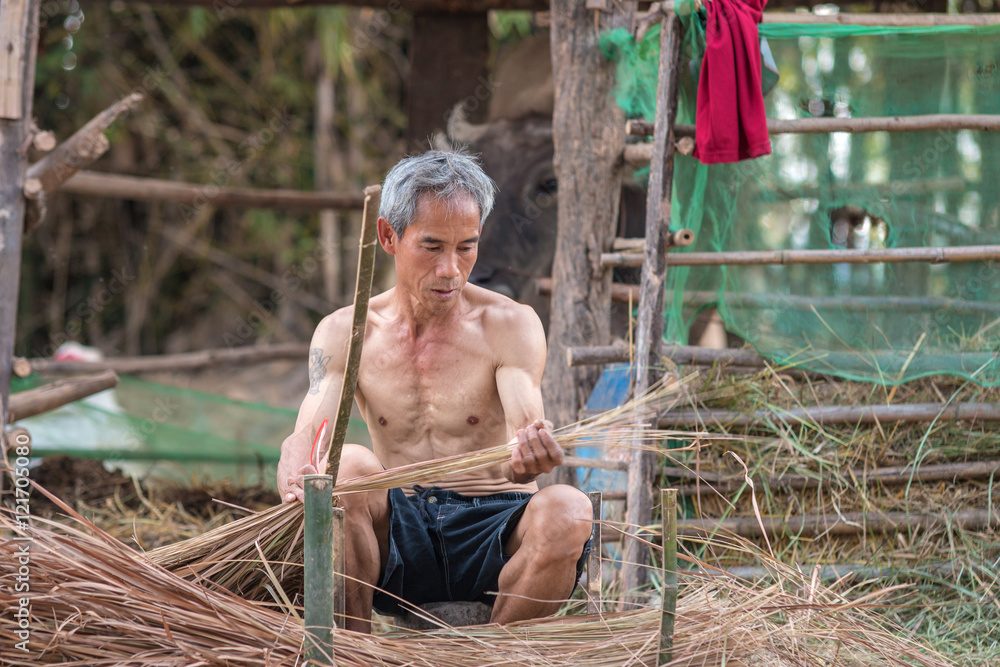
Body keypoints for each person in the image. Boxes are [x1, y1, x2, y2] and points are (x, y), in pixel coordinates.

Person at [276, 150, 594, 633]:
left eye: (466, 247)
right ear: (388, 236)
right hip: (401, 537)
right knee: (350, 465)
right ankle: (354, 656)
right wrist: (295, 452)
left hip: (495, 526)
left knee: (570, 509)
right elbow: (313, 436)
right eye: (431, 247)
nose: (451, 268)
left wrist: (527, 453)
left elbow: (521, 433)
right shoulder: (346, 331)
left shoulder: (510, 324)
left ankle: (493, 660)